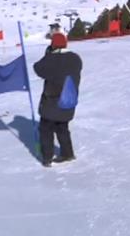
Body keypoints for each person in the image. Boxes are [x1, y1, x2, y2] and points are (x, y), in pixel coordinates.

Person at [33, 32, 82, 167]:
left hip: (51, 101)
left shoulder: (51, 59)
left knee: (46, 129)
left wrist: (48, 55)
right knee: (62, 127)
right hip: (68, 101)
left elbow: (38, 68)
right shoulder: (76, 58)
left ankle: (47, 158)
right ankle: (68, 153)